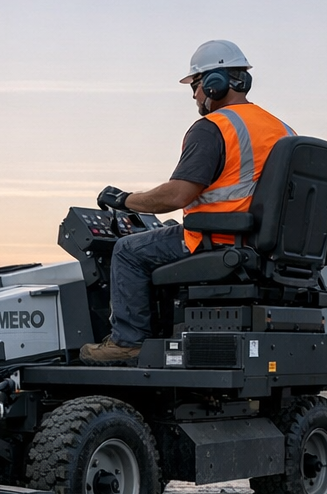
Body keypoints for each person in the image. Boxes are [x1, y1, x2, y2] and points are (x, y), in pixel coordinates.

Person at [80, 40, 295, 366]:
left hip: (222, 239)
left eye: (195, 85)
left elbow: (177, 195)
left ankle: (127, 343)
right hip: (267, 247)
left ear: (214, 83)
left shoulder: (213, 128)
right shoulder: (283, 129)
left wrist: (126, 200)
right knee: (164, 234)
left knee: (127, 250)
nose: (194, 95)